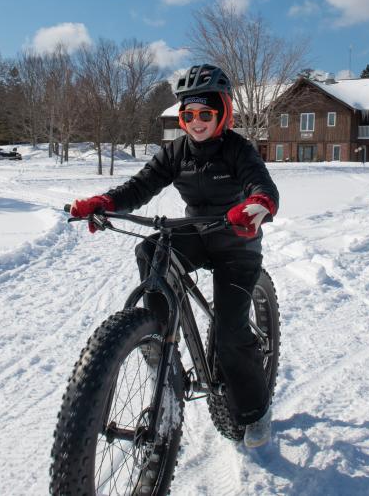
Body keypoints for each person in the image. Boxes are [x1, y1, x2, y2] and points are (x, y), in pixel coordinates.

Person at [70, 64, 279, 449]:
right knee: (151, 248)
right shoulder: (176, 151)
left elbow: (261, 185)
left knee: (231, 333)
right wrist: (105, 202)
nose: (196, 122)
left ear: (223, 114)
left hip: (237, 242)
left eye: (205, 114)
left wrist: (258, 205)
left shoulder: (238, 149)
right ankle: (157, 338)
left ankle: (255, 411)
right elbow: (141, 185)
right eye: (188, 115)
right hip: (197, 233)